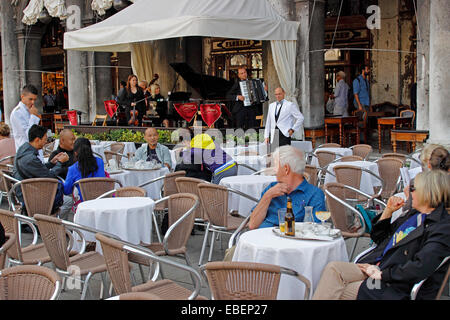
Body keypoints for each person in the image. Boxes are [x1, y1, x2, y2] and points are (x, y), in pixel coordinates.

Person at [312, 170, 450, 300]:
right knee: (333, 269)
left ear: (428, 192)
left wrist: (382, 275)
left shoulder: (441, 227)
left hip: (394, 283)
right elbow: (379, 238)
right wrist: (388, 211)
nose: (408, 192)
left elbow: (421, 266)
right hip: (376, 266)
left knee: (336, 289)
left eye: (413, 189)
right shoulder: (414, 215)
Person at [248, 146, 326, 229]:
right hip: (262, 238)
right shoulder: (271, 189)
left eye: (275, 165)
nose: (274, 170)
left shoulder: (314, 195)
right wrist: (267, 196)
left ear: (286, 169)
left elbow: (315, 231)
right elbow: (252, 225)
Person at [12, 124, 69, 213]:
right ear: (37, 140)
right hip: (30, 195)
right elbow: (49, 177)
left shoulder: (23, 149)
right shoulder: (30, 158)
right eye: (45, 139)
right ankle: (52, 224)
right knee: (68, 201)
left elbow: (37, 170)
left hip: (24, 188)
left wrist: (51, 163)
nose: (46, 141)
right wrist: (60, 162)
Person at [63, 137, 106, 202]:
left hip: (85, 204)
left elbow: (66, 191)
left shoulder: (73, 169)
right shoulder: (100, 162)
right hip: (102, 200)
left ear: (75, 153)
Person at [10, 84, 41, 152]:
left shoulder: (31, 110)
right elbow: (28, 134)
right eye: (30, 99)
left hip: (34, 150)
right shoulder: (17, 113)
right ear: (22, 97)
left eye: (34, 100)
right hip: (25, 151)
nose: (32, 102)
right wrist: (33, 117)